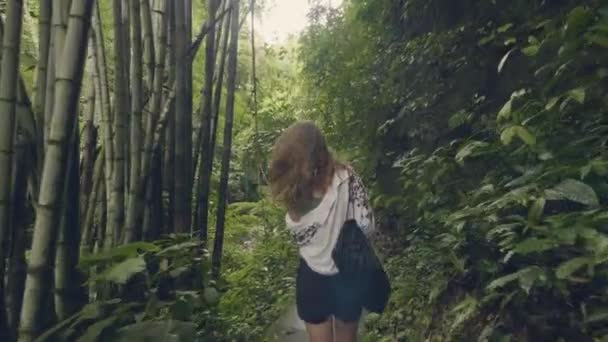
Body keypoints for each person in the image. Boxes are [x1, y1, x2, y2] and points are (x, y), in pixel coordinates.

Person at [269, 121, 379, 342]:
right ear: (321, 149)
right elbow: (368, 225)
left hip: (312, 279)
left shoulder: (294, 195)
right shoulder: (348, 178)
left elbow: (298, 234)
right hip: (348, 274)